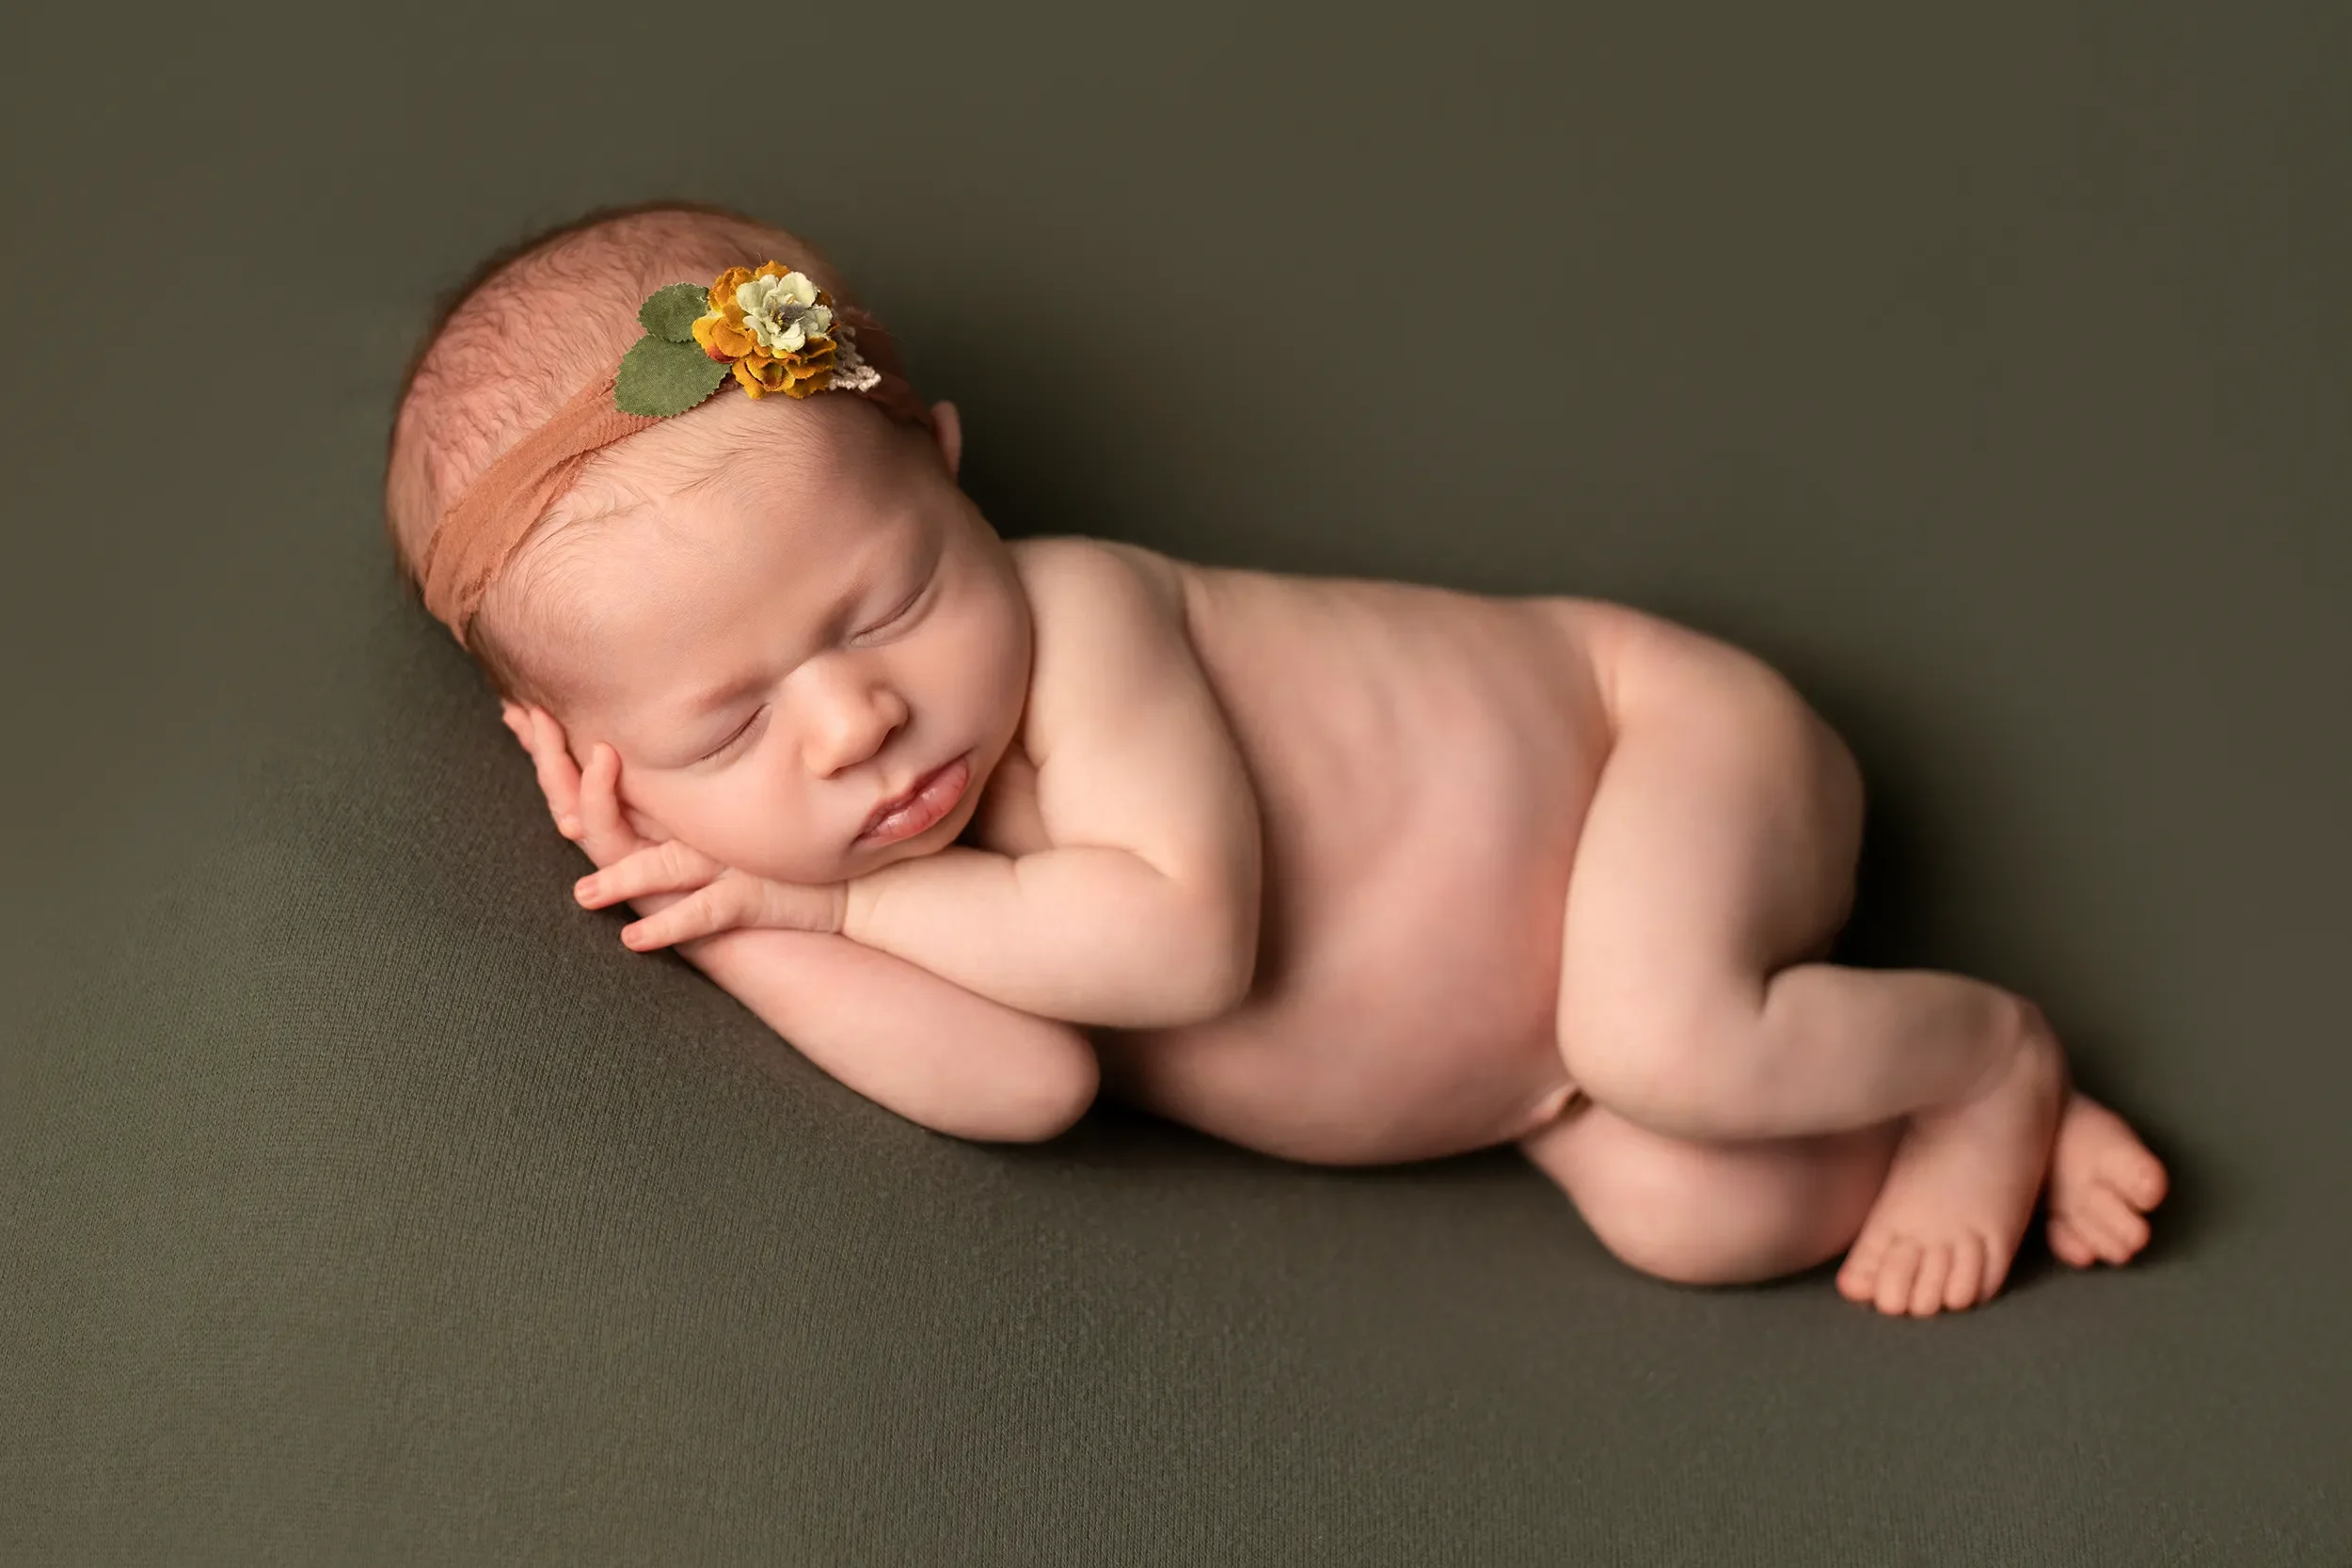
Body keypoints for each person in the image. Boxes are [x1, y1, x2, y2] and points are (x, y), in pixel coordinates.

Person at [383, 200, 2167, 1318]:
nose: (858, 721)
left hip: (1655, 747)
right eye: (729, 724)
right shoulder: (857, 866)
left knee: (1669, 1035)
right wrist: (737, 916)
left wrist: (830, 898)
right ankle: (1900, 1090)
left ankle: (1990, 1061)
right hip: (1539, 1076)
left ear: (948, 466)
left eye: (893, 601)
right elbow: (1023, 1083)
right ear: (605, 761)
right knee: (1697, 1209)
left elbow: (1177, 945)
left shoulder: (1084, 620)